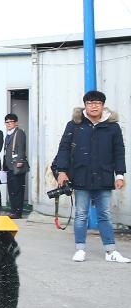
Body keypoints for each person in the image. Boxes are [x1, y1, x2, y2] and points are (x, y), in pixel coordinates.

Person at [54, 90, 129, 263]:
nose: (94, 106)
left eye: (97, 103)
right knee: (81, 214)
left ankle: (110, 251)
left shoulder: (112, 126)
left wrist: (120, 174)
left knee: (105, 215)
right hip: (81, 175)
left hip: (104, 176)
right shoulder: (75, 124)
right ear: (85, 105)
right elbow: (64, 148)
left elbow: (119, 152)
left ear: (103, 106)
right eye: (90, 103)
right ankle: (80, 249)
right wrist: (62, 171)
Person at [2, 113, 29, 219]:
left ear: (16, 123)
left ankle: (18, 212)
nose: (8, 124)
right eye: (7, 122)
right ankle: (13, 210)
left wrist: (20, 160)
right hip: (9, 166)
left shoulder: (19, 132)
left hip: (17, 165)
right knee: (11, 189)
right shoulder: (8, 134)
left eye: (11, 122)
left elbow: (22, 147)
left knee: (18, 189)